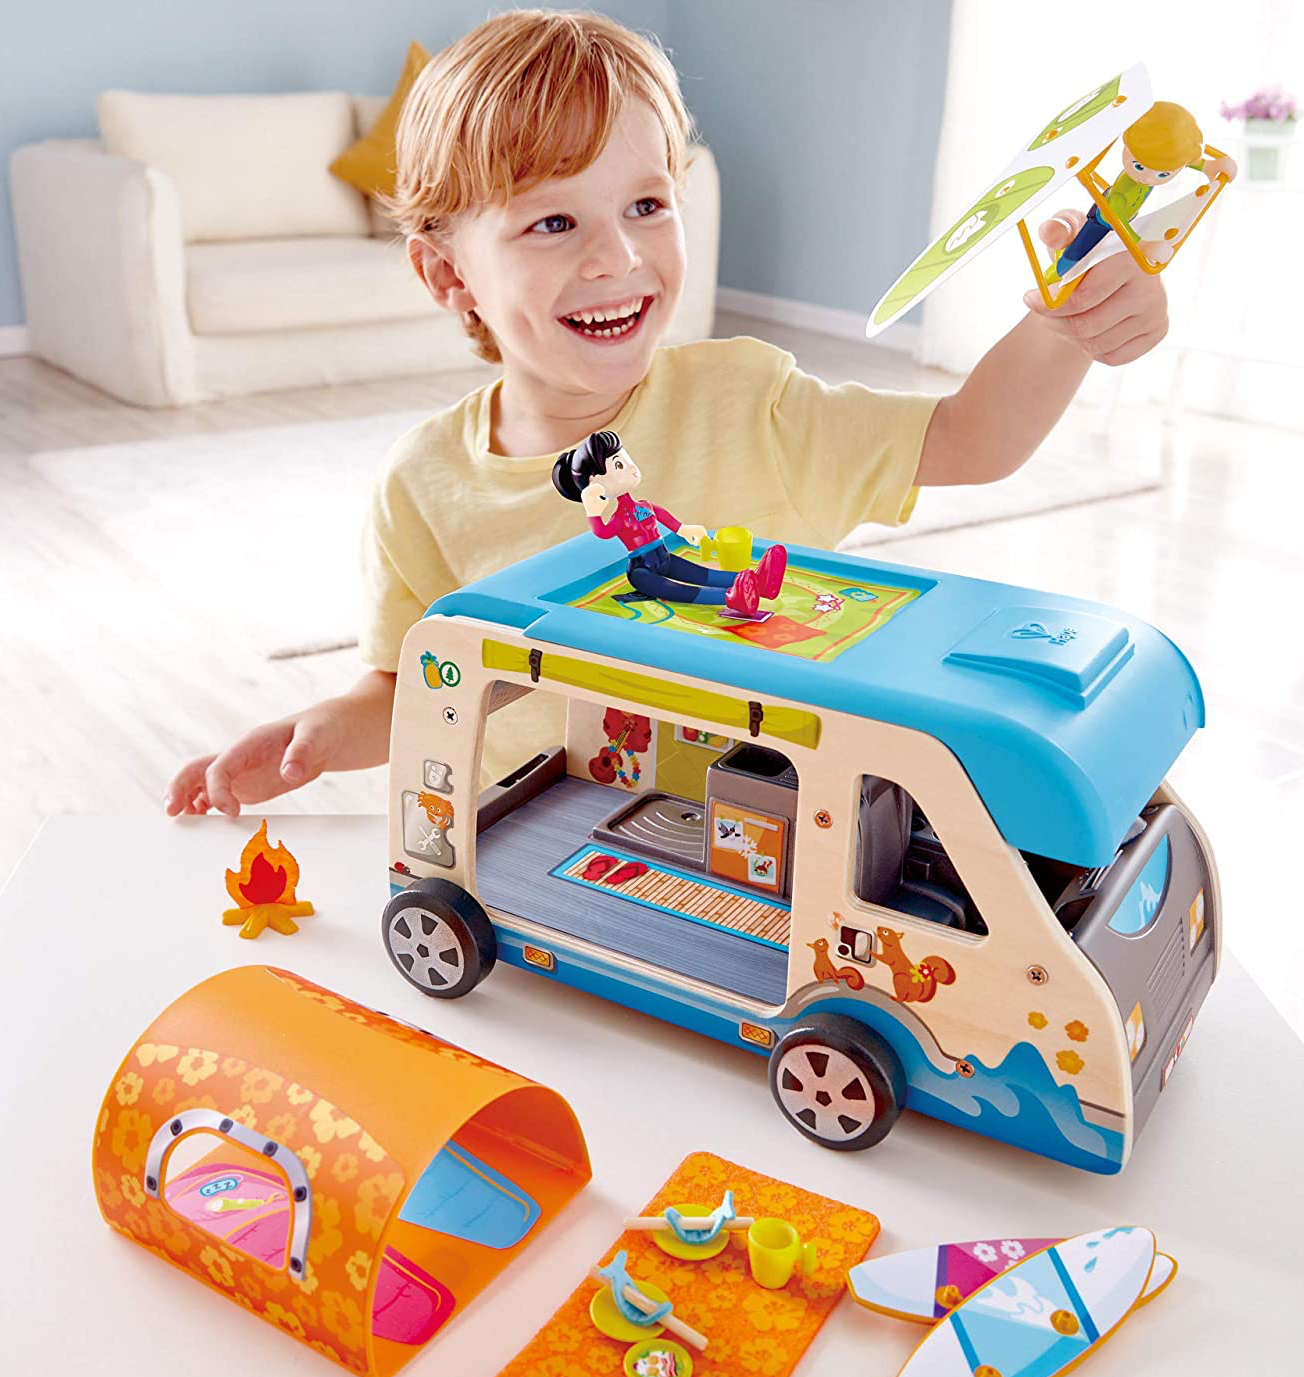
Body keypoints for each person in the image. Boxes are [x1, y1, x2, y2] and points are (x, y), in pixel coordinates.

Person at [165, 8, 1170, 818]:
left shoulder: (748, 402)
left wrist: (1065, 327)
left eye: (646, 206)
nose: (616, 257)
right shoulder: (420, 484)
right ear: (446, 274)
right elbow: (410, 688)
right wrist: (315, 738)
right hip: (545, 853)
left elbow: (970, 439)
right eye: (553, 221)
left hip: (784, 840)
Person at [551, 429, 787, 613]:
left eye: (626, 458)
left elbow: (662, 516)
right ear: (595, 483)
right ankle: (731, 597)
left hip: (664, 557)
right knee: (677, 589)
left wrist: (683, 529)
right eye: (619, 465)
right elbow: (603, 532)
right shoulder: (619, 518)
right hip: (641, 570)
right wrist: (593, 512)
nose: (631, 468)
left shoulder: (644, 506)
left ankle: (759, 582)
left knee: (701, 574)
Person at [1049, 102, 1239, 281]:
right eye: (1139, 166)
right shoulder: (1118, 198)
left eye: (1163, 174)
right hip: (1103, 221)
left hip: (1128, 215)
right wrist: (1141, 245)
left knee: (1098, 255)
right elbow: (1118, 223)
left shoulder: (1165, 158)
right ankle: (1055, 272)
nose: (1148, 178)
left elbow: (1183, 159)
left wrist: (1207, 166)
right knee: (1075, 256)